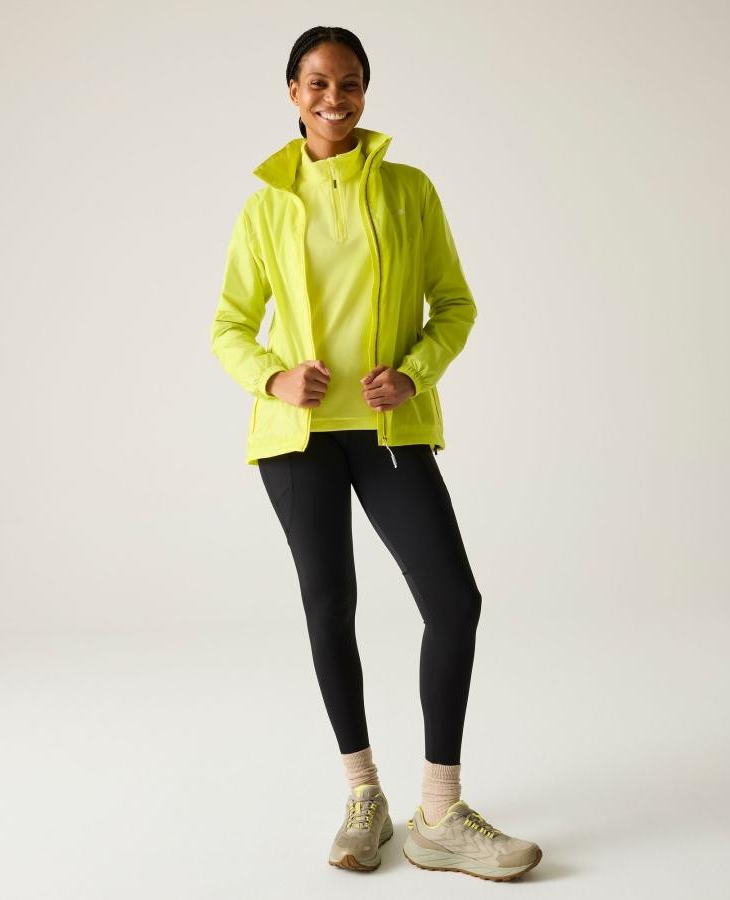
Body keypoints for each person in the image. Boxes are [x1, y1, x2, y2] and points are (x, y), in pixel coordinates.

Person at [211, 25, 542, 882]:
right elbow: (230, 326)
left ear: (365, 92)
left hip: (391, 430)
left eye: (350, 82)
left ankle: (439, 812)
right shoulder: (265, 206)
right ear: (293, 92)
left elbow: (455, 304)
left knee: (454, 602)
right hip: (299, 438)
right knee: (330, 606)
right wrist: (274, 377)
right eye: (318, 82)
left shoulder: (408, 190)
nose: (335, 98)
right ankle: (364, 796)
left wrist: (416, 372)